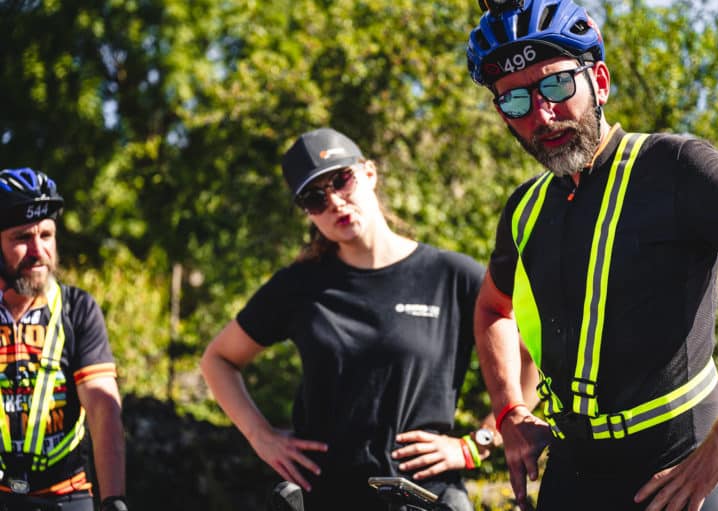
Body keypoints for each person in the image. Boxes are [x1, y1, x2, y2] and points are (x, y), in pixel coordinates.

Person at [465, 0, 718, 510]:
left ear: (600, 81)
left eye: (557, 86)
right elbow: (494, 309)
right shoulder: (524, 208)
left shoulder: (678, 167)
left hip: (677, 469)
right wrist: (509, 412)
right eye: (514, 101)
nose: (542, 115)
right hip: (571, 471)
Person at [200, 127, 503, 511]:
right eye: (314, 198)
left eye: (342, 180)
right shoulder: (299, 286)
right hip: (328, 497)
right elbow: (218, 360)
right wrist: (261, 436)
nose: (334, 202)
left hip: (428, 497)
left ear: (369, 173)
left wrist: (478, 443)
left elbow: (526, 356)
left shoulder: (453, 276)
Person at [0, 168, 127, 511]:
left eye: (46, 234)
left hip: (66, 493)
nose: (38, 250)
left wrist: (114, 500)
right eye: (22, 237)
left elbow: (103, 407)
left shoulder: (78, 309)